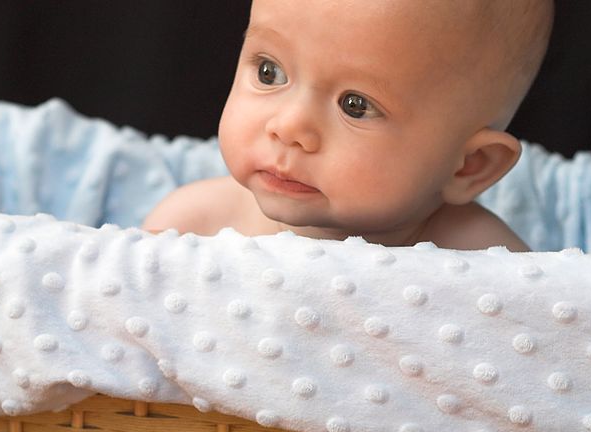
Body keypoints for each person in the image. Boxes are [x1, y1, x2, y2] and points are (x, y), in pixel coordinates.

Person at [142, 0, 554, 251]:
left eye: (355, 106)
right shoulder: (192, 227)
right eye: (269, 72)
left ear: (470, 165)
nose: (288, 128)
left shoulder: (485, 267)